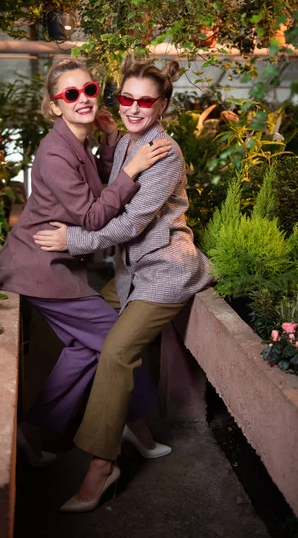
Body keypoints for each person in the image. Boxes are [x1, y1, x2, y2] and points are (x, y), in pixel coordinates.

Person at [33, 58, 213, 511]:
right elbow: (110, 187)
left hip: (165, 271)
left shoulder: (163, 153)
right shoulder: (131, 139)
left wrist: (74, 238)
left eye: (144, 101)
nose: (133, 108)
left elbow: (130, 221)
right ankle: (132, 428)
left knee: (114, 352)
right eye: (125, 98)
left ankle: (100, 465)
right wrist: (114, 138)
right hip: (131, 272)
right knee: (94, 340)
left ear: (163, 104)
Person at [0, 59, 170, 461]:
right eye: (70, 94)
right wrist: (133, 166)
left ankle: (33, 429)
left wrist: (110, 142)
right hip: (40, 267)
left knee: (83, 350)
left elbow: (97, 184)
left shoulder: (78, 142)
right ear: (54, 105)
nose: (83, 99)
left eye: (89, 90)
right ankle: (135, 426)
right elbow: (92, 215)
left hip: (56, 264)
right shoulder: (55, 152)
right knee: (116, 343)